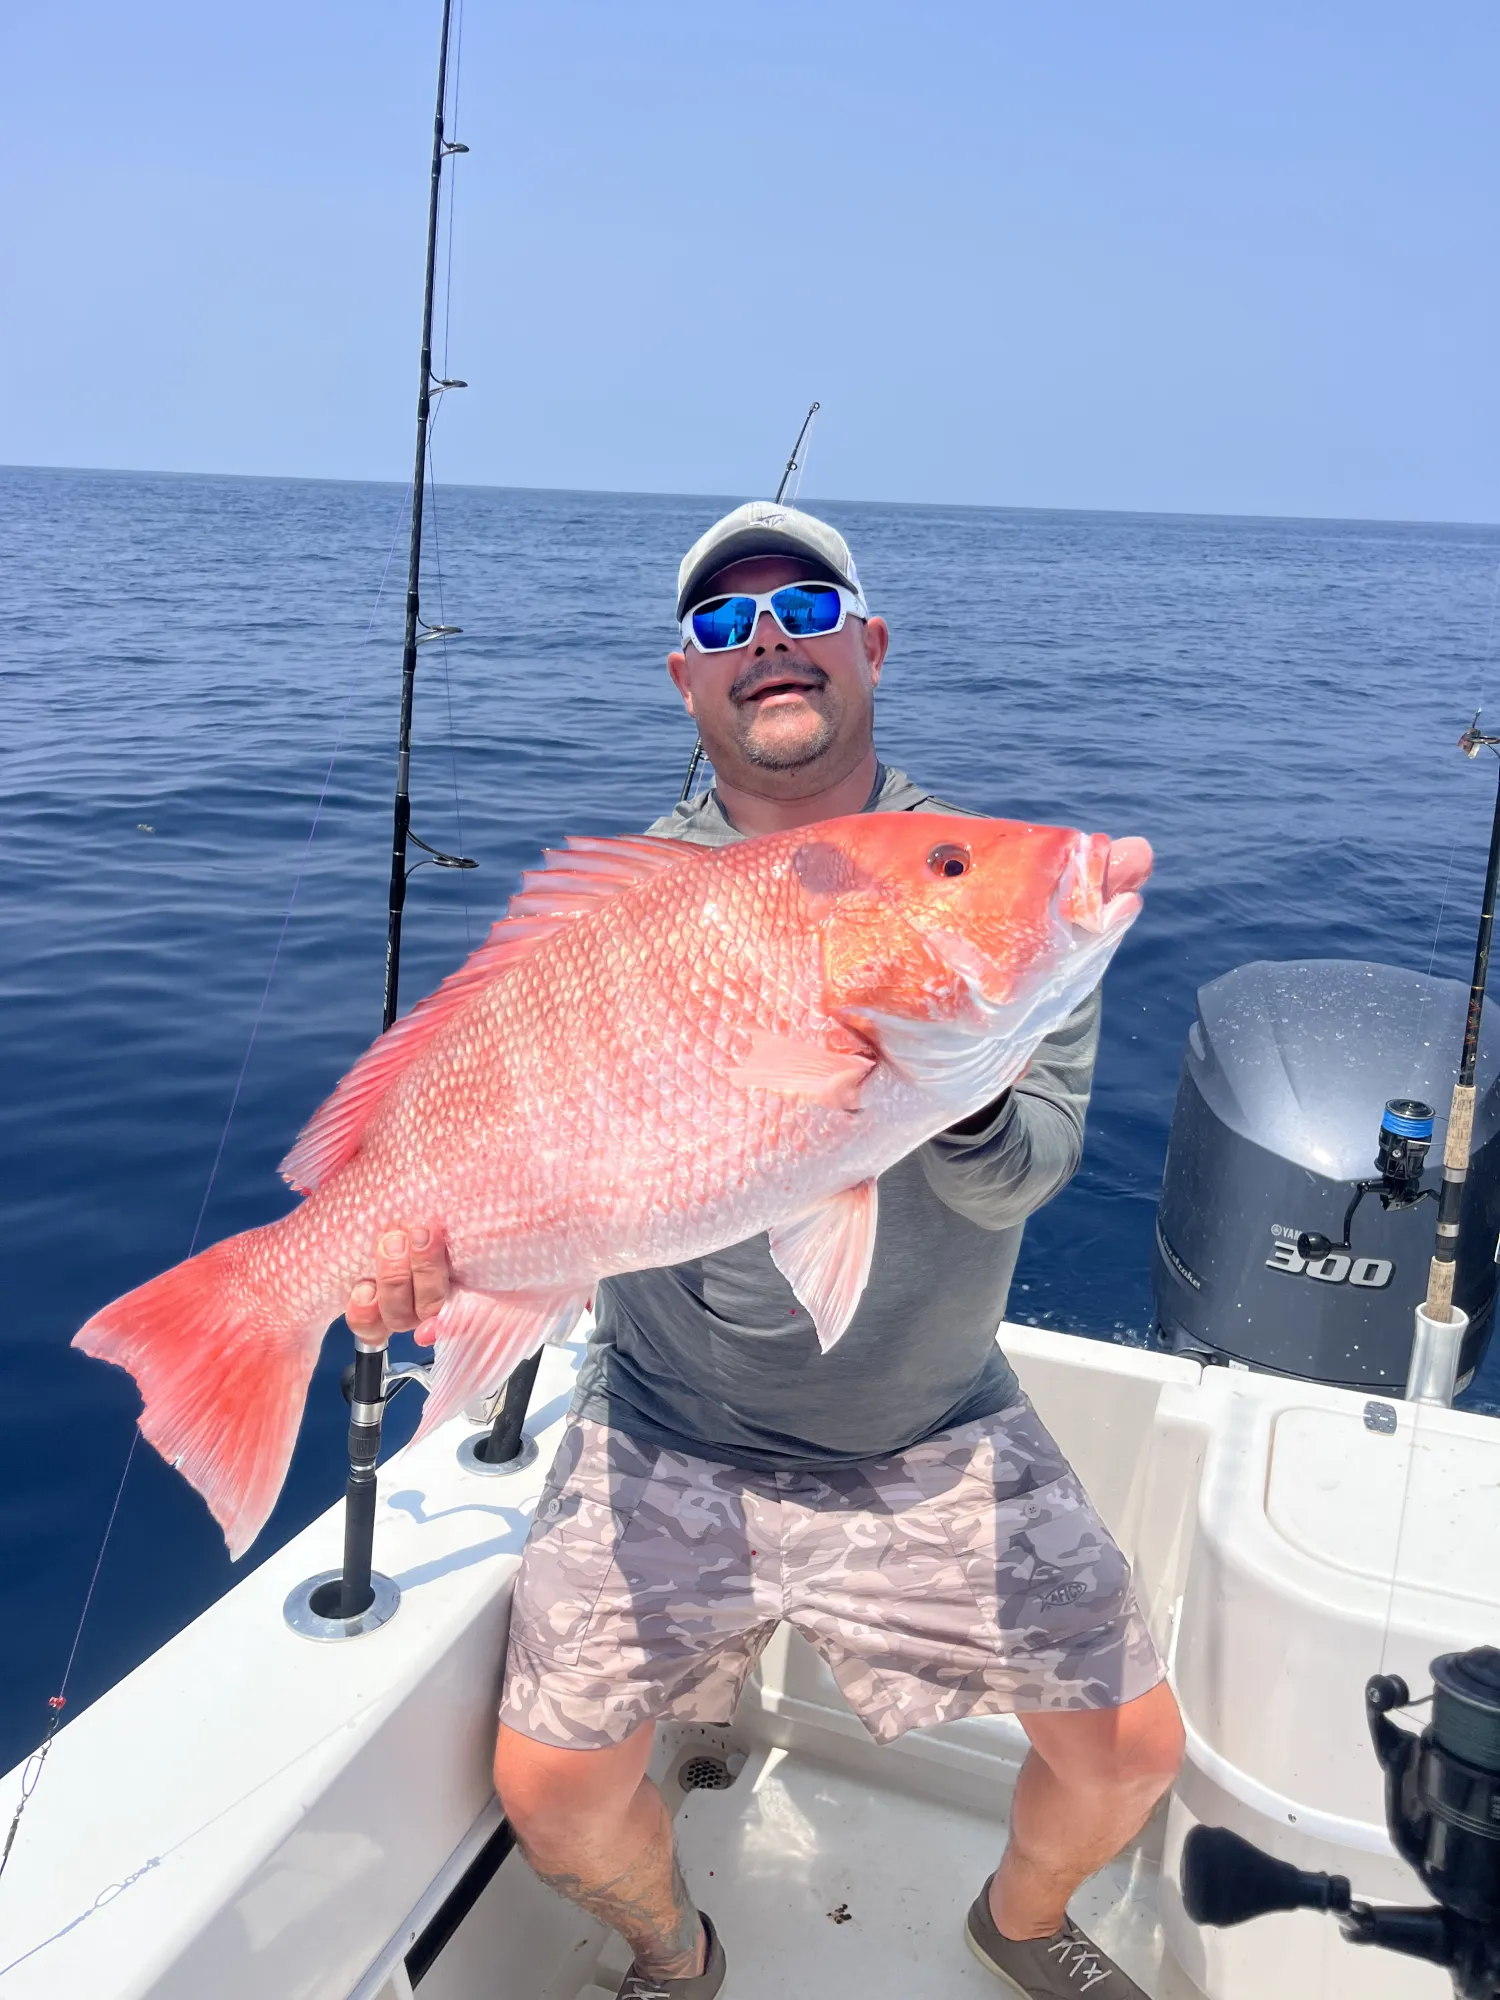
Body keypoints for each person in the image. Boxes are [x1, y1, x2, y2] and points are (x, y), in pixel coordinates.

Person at [349, 502, 1181, 2000]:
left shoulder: (969, 873)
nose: (769, 640)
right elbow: (523, 1122)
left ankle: (1019, 1918)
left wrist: (952, 1080)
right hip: (667, 1428)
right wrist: (418, 1249)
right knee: (550, 1792)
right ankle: (675, 1958)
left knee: (1132, 1757)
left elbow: (1025, 1177)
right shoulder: (637, 898)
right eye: (725, 626)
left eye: (805, 606)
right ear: (689, 684)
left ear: (869, 644)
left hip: (929, 1426)